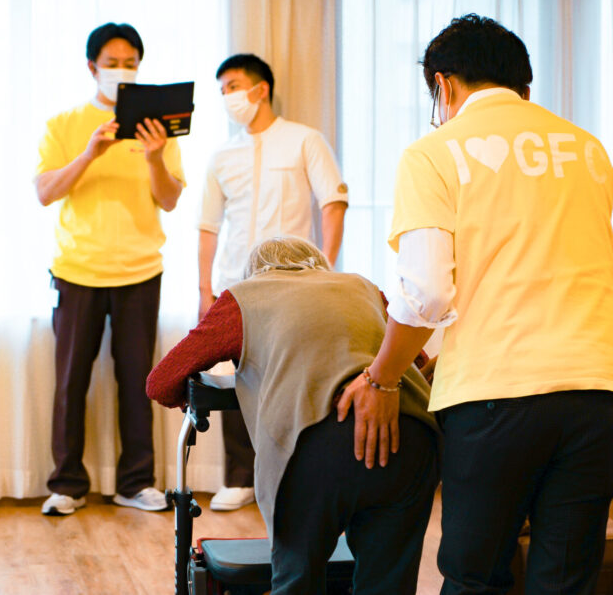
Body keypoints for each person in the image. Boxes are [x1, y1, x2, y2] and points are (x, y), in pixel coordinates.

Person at [337, 14, 613, 594]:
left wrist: (382, 378)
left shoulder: (434, 153)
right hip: (598, 393)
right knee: (566, 582)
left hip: (496, 398)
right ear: (524, 85)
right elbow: (535, 261)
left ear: (444, 85)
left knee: (476, 578)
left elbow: (427, 291)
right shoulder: (590, 150)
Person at [147, 236, 438, 595]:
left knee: (297, 580)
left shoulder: (243, 296)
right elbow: (415, 359)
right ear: (318, 264)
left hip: (315, 444)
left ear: (255, 273)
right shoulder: (363, 287)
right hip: (409, 434)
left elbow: (161, 382)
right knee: (387, 585)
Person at [34, 22, 184, 516]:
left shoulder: (157, 126)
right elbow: (45, 192)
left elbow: (169, 199)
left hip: (140, 270)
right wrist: (89, 154)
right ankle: (67, 485)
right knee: (70, 382)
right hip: (77, 270)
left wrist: (155, 156)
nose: (122, 71)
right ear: (91, 67)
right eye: (112, 63)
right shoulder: (64, 123)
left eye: (130, 63)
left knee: (139, 382)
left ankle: (136, 482)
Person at [197, 53, 349, 511]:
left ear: (260, 89)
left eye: (233, 86)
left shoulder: (305, 140)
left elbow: (333, 203)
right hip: (235, 284)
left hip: (293, 286)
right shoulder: (222, 156)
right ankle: (239, 478)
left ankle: (295, 480)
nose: (228, 96)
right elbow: (207, 227)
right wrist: (204, 290)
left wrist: (323, 268)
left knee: (291, 378)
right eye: (222, 90)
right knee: (233, 376)